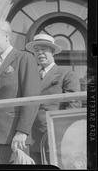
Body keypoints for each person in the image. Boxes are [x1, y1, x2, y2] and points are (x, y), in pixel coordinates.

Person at [0, 21, 40, 164]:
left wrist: (22, 131)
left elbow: (31, 98)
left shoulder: (24, 58)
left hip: (14, 137)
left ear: (6, 36)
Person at [25, 33, 82, 164]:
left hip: (54, 135)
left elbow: (74, 105)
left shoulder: (66, 74)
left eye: (44, 49)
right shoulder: (30, 76)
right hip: (31, 137)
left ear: (53, 52)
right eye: (36, 50)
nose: (40, 53)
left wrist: (60, 131)